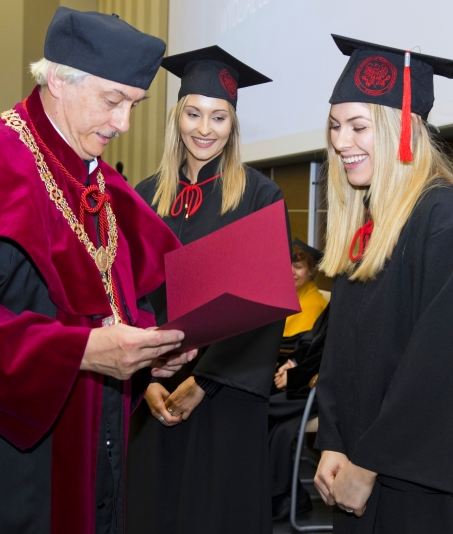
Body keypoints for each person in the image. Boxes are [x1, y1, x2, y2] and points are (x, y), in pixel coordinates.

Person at [0, 9, 195, 534]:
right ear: (57, 80)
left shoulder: (99, 182)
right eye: (113, 100)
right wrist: (80, 352)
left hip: (90, 449)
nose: (123, 123)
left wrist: (150, 350)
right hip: (0, 468)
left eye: (134, 105)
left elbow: (114, 302)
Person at [312, 35, 453, 533]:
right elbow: (341, 348)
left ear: (403, 130)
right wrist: (333, 440)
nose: (341, 142)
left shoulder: (446, 221)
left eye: (359, 126)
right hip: (362, 459)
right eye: (335, 126)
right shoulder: (369, 224)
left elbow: (438, 366)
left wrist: (368, 465)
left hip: (420, 480)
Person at [128, 45, 286, 533]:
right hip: (154, 389)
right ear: (176, 117)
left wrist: (205, 381)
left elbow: (264, 305)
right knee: (152, 509)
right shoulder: (143, 196)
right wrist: (145, 379)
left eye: (219, 117)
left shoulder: (259, 195)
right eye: (193, 113)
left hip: (225, 395)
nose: (204, 129)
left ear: (233, 124)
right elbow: (128, 297)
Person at [270, 302, 331, 520]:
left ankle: (285, 495)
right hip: (309, 378)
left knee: (266, 408)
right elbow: (315, 339)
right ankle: (285, 494)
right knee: (279, 423)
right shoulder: (342, 291)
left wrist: (297, 375)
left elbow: (336, 352)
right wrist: (294, 361)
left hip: (329, 388)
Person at [279, 238, 328, 357]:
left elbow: (298, 347)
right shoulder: (285, 295)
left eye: (298, 267)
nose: (291, 271)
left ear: (311, 271)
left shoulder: (314, 305)